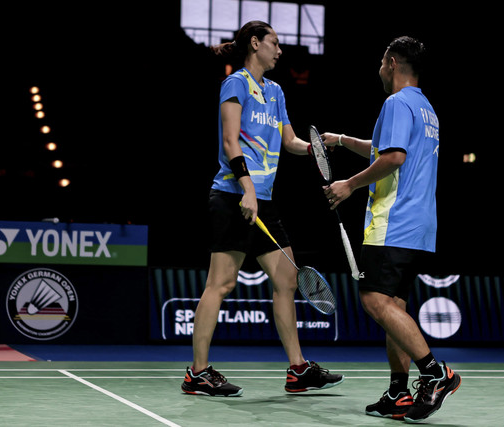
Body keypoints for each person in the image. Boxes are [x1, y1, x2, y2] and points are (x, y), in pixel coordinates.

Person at [180, 21, 344, 397]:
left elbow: (288, 141)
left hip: (263, 202)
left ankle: (298, 370)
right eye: (274, 43)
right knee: (220, 284)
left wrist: (314, 147)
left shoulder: (276, 92)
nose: (280, 50)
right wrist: (247, 189)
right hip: (233, 196)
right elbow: (230, 140)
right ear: (255, 44)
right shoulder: (235, 83)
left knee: (286, 281)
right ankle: (197, 372)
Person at [322, 36, 460, 422]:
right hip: (419, 224)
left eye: (382, 62)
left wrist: (349, 185)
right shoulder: (425, 108)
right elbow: (385, 148)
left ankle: (435, 373)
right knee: (394, 306)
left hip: (393, 221)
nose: (380, 69)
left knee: (374, 301)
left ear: (393, 62)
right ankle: (399, 390)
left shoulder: (396, 102)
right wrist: (344, 140)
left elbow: (394, 157)